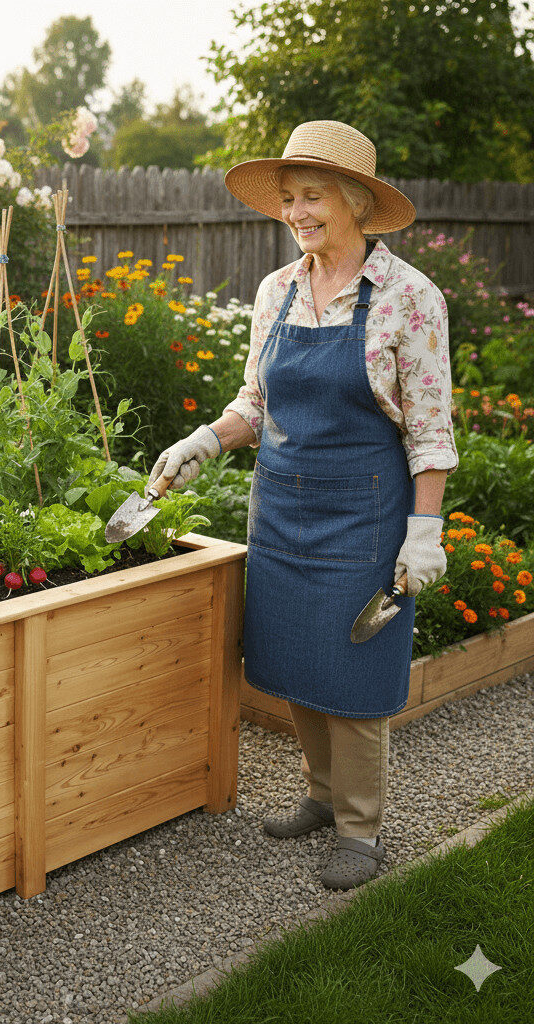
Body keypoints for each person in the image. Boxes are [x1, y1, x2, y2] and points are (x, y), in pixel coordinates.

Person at [146, 120, 459, 890]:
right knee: (296, 662)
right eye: (289, 198)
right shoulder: (277, 291)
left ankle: (361, 830)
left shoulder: (409, 298)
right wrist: (204, 442)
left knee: (354, 672)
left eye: (311, 195)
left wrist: (425, 531)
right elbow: (256, 402)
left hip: (366, 513)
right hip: (282, 510)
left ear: (355, 200)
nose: (296, 211)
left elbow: (429, 428)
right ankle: (321, 797)